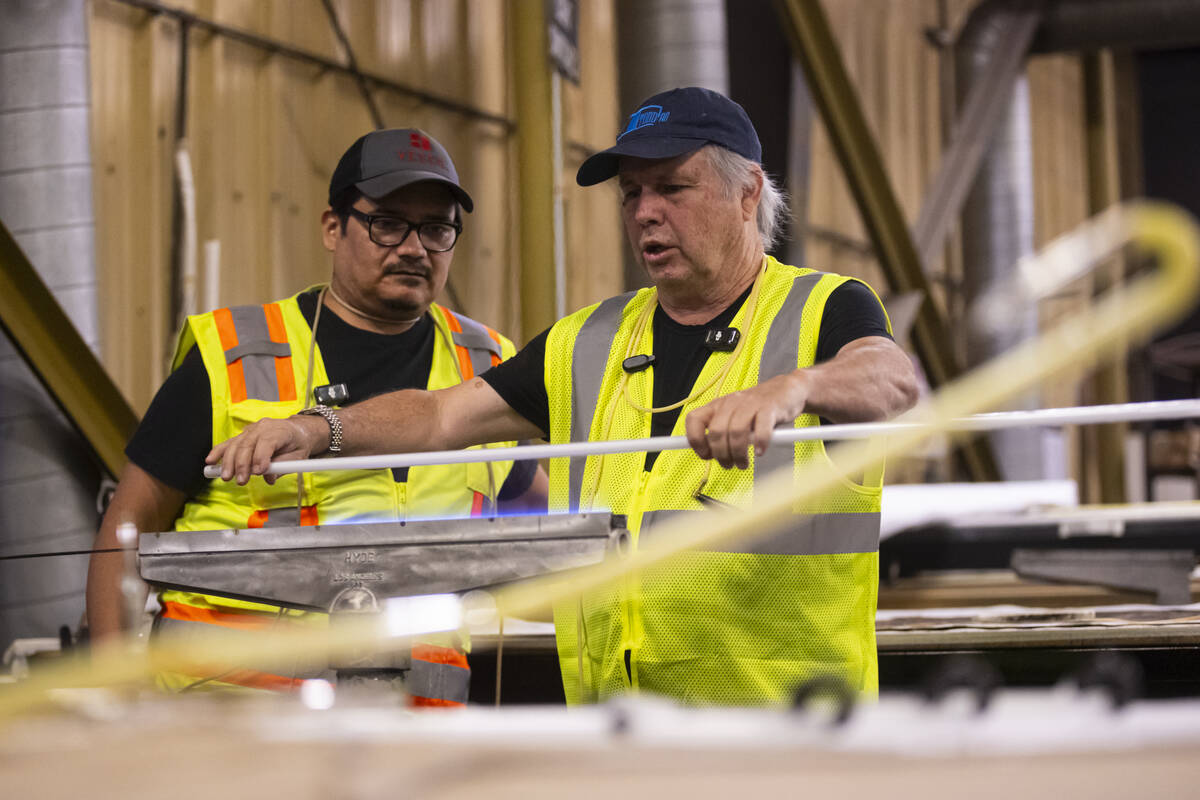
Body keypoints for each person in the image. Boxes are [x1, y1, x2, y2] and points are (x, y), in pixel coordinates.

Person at [207, 88, 919, 707]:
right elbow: (443, 415)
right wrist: (316, 429)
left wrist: (797, 388)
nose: (645, 213)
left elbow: (891, 380)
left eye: (672, 188)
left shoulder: (824, 310)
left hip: (790, 733)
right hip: (619, 732)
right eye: (632, 194)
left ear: (747, 192)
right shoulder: (587, 341)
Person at [86, 128, 547, 703]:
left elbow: (544, 527)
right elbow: (126, 529)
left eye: (437, 228)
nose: (414, 247)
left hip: (413, 737)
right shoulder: (237, 353)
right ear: (334, 227)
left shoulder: (487, 366)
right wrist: (114, 702)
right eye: (388, 223)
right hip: (227, 726)